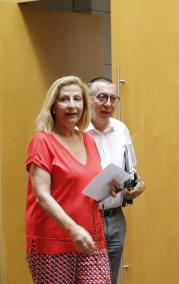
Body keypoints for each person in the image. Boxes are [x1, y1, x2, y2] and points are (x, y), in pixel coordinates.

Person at [25, 75, 111, 283]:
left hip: (90, 239)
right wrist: (73, 230)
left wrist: (110, 187)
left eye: (77, 99)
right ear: (53, 106)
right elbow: (42, 195)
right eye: (64, 99)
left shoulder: (88, 140)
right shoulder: (42, 141)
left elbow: (84, 189)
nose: (72, 105)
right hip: (53, 242)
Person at [87, 77, 145, 284]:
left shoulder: (121, 129)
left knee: (109, 279)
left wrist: (135, 187)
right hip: (85, 218)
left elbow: (130, 169)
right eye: (102, 97)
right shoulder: (75, 132)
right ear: (88, 98)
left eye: (113, 98)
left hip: (115, 217)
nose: (108, 104)